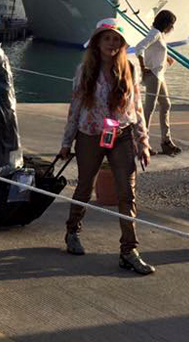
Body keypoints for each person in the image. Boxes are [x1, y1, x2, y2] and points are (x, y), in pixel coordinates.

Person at [58, 18, 154, 275]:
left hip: (120, 134)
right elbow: (75, 107)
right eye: (107, 38)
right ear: (98, 42)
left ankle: (129, 250)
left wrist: (143, 141)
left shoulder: (130, 69)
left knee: (127, 192)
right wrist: (67, 141)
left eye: (116, 39)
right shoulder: (85, 70)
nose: (112, 43)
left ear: (122, 44)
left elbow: (137, 108)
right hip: (89, 133)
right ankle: (72, 232)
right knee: (85, 186)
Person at [135, 10, 181, 156]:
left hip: (159, 75)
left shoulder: (159, 34)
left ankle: (166, 141)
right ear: (166, 23)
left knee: (166, 105)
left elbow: (156, 51)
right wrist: (143, 67)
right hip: (153, 75)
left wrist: (166, 58)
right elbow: (139, 47)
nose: (172, 28)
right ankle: (142, 143)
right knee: (149, 108)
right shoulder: (154, 33)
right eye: (171, 24)